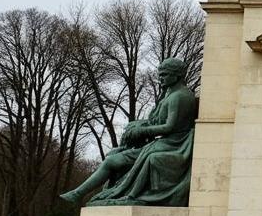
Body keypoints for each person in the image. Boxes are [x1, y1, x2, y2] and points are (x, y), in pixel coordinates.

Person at [59, 58, 198, 207]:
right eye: (160, 74)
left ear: (176, 76)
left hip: (174, 144)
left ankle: (98, 193)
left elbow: (169, 127)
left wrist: (142, 131)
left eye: (164, 74)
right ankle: (78, 193)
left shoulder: (180, 97)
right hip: (163, 143)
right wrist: (137, 125)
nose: (160, 78)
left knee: (116, 160)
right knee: (113, 156)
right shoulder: (171, 93)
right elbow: (158, 122)